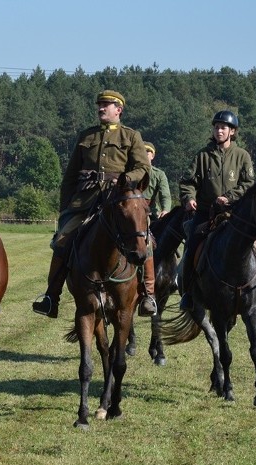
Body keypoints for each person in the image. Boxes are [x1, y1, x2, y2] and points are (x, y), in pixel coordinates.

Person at [31, 89, 155, 319]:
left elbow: (143, 168)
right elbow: (70, 176)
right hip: (85, 202)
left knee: (145, 240)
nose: (101, 108)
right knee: (62, 241)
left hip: (119, 203)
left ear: (118, 110)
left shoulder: (131, 136)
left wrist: (126, 179)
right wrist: (66, 207)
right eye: (99, 104)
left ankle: (148, 295)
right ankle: (51, 296)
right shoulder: (86, 136)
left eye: (106, 105)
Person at [177, 109, 256, 312]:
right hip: (207, 212)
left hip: (236, 213)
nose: (219, 131)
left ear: (232, 131)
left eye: (223, 128)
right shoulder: (202, 155)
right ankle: (189, 292)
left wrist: (230, 197)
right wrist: (188, 198)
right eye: (216, 127)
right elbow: (188, 182)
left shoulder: (242, 156)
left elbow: (248, 183)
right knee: (193, 241)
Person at [142, 142, 172, 221]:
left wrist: (165, 210)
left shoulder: (159, 174)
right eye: (141, 152)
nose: (143, 155)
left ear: (152, 156)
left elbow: (165, 195)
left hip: (151, 212)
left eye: (147, 153)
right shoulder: (130, 173)